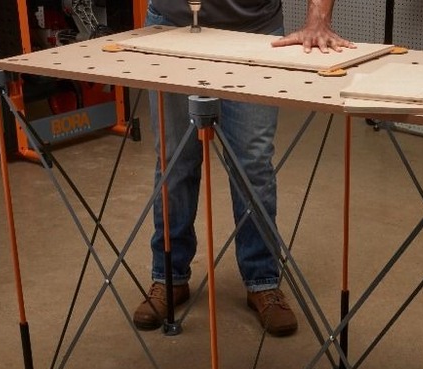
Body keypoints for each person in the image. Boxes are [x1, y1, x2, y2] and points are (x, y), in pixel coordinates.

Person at [133, 0, 354, 336]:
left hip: (254, 30)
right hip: (171, 26)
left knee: (253, 164)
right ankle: (168, 276)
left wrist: (318, 17)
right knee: (174, 161)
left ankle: (262, 280)